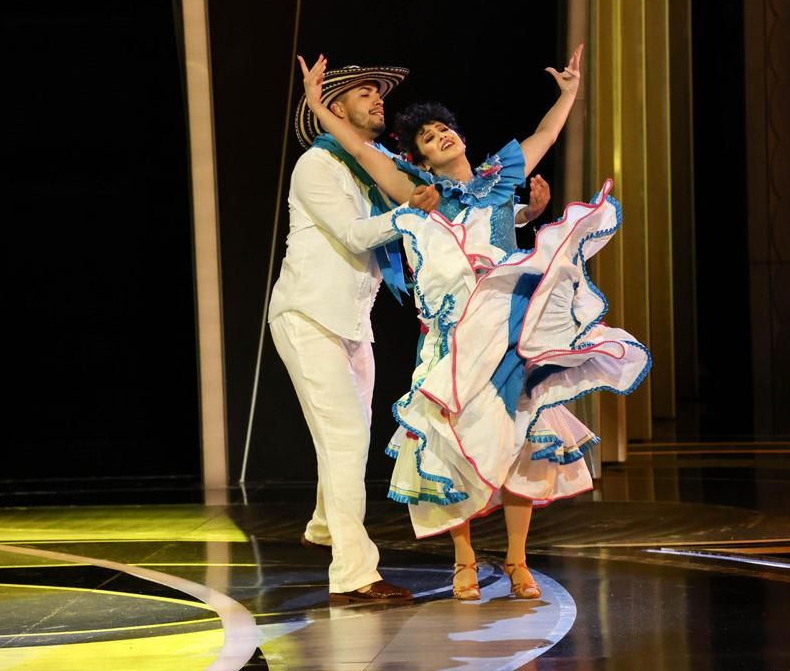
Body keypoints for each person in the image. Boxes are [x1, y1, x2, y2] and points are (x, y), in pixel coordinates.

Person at [299, 46, 650, 601]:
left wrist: (569, 94)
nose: (439, 135)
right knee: (450, 445)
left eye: (444, 128)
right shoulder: (420, 194)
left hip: (509, 332)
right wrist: (321, 110)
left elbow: (543, 139)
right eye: (426, 137)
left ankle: (515, 561)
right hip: (452, 337)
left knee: (523, 439)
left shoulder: (499, 180)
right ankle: (463, 560)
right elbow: (364, 154)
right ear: (420, 159)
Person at [268, 63, 448, 603]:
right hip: (308, 316)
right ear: (335, 107)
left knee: (352, 437)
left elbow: (451, 205)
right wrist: (407, 215)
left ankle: (324, 526)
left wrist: (518, 214)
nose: (377, 100)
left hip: (351, 320)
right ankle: (353, 575)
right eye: (364, 93)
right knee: (345, 439)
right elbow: (351, 234)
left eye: (378, 93)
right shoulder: (317, 164)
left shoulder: (375, 167)